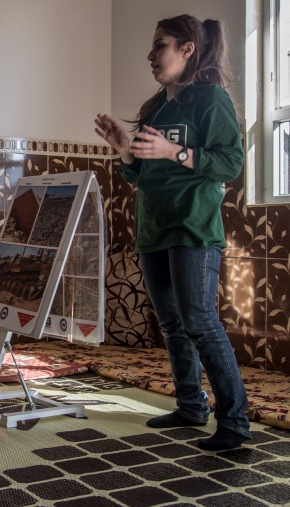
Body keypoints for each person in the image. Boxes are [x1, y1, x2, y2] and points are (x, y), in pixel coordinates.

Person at [94, 14, 251, 451]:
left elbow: (230, 163)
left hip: (193, 229)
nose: (151, 55)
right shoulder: (156, 108)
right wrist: (125, 149)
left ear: (187, 50)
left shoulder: (210, 99)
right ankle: (189, 406)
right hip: (154, 229)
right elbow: (139, 176)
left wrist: (174, 150)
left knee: (199, 320)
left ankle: (235, 422)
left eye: (160, 45)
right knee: (172, 324)